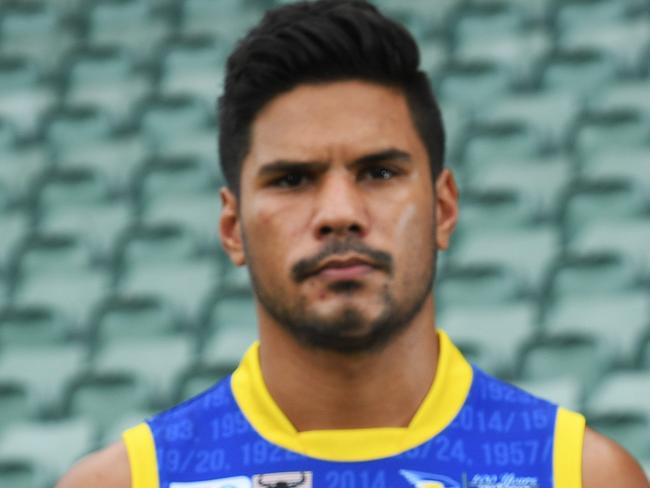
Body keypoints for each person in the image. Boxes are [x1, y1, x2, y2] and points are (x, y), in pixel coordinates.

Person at [58, 1, 648, 487]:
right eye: (292, 179)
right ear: (232, 227)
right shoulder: (126, 480)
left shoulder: (581, 474)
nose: (340, 214)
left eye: (380, 173)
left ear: (443, 209)